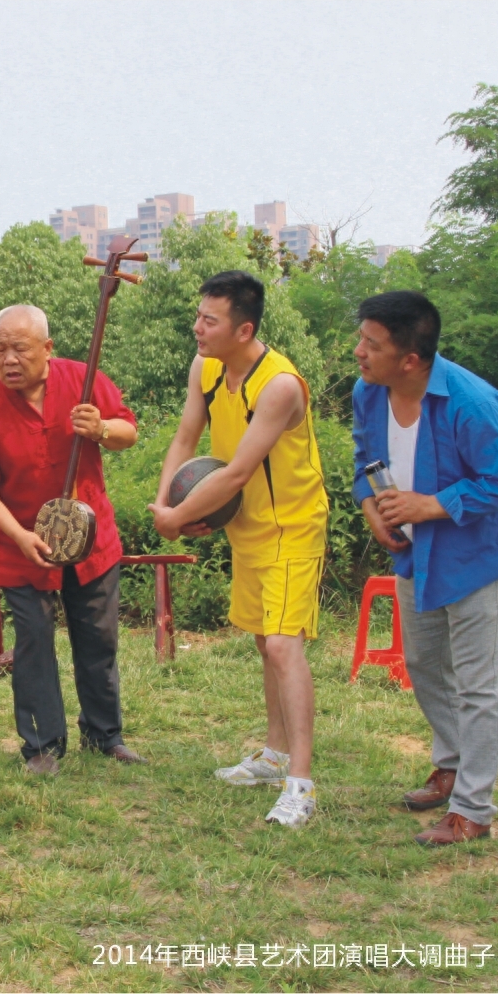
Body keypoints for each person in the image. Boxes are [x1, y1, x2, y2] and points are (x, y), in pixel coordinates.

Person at [148, 270, 329, 828]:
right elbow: (185, 438)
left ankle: (301, 783)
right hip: (246, 526)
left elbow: (241, 470)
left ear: (244, 328)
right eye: (198, 316)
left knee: (282, 645)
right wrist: (164, 507)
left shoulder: (279, 385)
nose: (197, 328)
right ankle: (273, 756)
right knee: (262, 641)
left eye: (210, 320)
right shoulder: (205, 369)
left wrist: (180, 516)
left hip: (292, 526)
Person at [351, 291, 498, 846]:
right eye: (361, 338)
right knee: (425, 664)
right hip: (412, 557)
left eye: (371, 344)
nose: (358, 352)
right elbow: (364, 461)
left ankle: (473, 810)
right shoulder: (370, 393)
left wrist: (431, 504)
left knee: (480, 686)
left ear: (410, 359)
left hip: (474, 560)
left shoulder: (472, 403)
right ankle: (450, 764)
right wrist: (371, 508)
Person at [0, 304, 145, 775]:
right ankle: (42, 745)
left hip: (90, 539)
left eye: (19, 348)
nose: (9, 360)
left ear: (47, 348)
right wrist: (18, 535)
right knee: (34, 642)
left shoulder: (82, 381)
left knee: (98, 639)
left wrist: (99, 429)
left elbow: (128, 432)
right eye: (0, 350)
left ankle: (105, 735)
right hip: (20, 545)